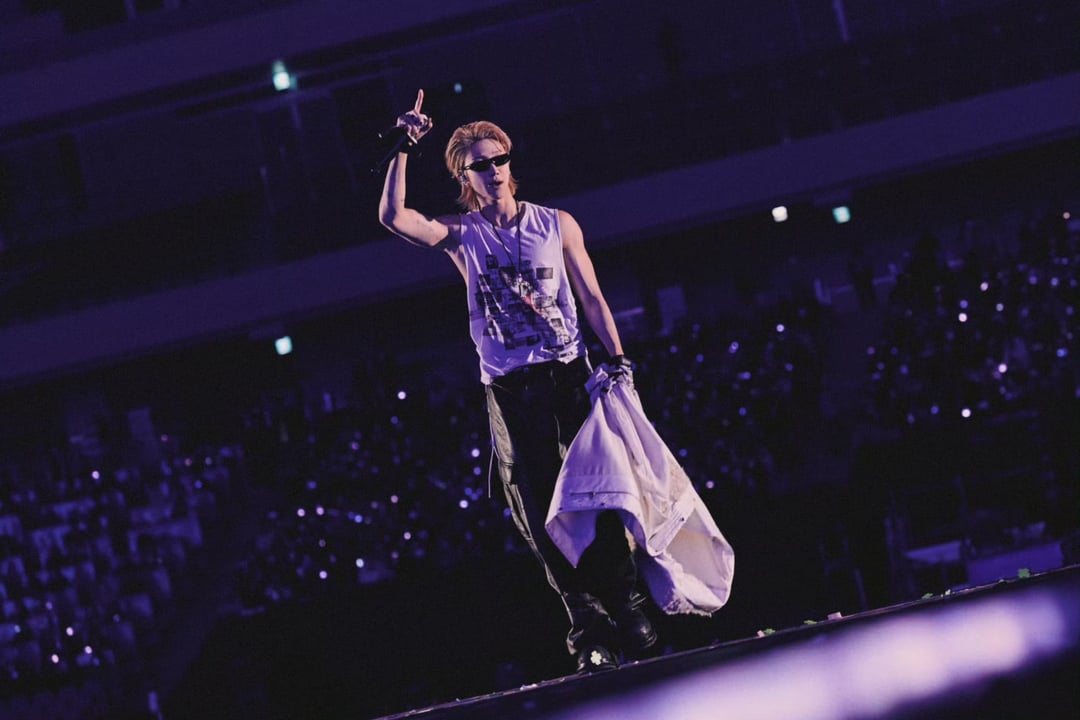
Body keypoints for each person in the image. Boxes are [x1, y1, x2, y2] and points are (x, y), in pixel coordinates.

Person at [378, 89, 655, 673]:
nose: (494, 170)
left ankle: (628, 605)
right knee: (536, 509)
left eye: (499, 158)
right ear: (465, 178)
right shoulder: (462, 234)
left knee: (601, 490)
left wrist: (618, 358)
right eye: (479, 165)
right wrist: (404, 145)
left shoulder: (556, 223)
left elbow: (592, 296)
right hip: (510, 387)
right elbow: (394, 218)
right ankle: (589, 624)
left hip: (570, 374)